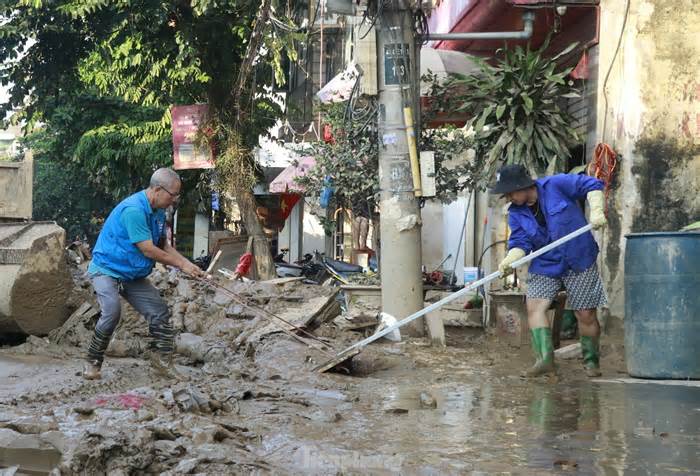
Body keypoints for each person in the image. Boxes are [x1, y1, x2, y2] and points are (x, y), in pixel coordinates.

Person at [83, 168, 205, 380]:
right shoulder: (134, 210)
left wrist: (187, 264)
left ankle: (162, 363)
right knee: (112, 311)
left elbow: (162, 244)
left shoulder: (157, 211)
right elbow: (148, 249)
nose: (175, 200)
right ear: (157, 189)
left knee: (159, 311)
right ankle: (93, 362)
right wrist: (181, 266)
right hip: (107, 269)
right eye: (173, 195)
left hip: (131, 273)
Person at [492, 164, 607, 377]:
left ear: (524, 186)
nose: (509, 198)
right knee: (534, 306)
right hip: (546, 262)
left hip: (578, 256)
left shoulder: (557, 185)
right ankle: (545, 360)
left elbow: (592, 184)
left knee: (586, 313)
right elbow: (520, 241)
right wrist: (511, 258)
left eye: (510, 193)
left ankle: (591, 362)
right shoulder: (516, 213)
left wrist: (597, 209)